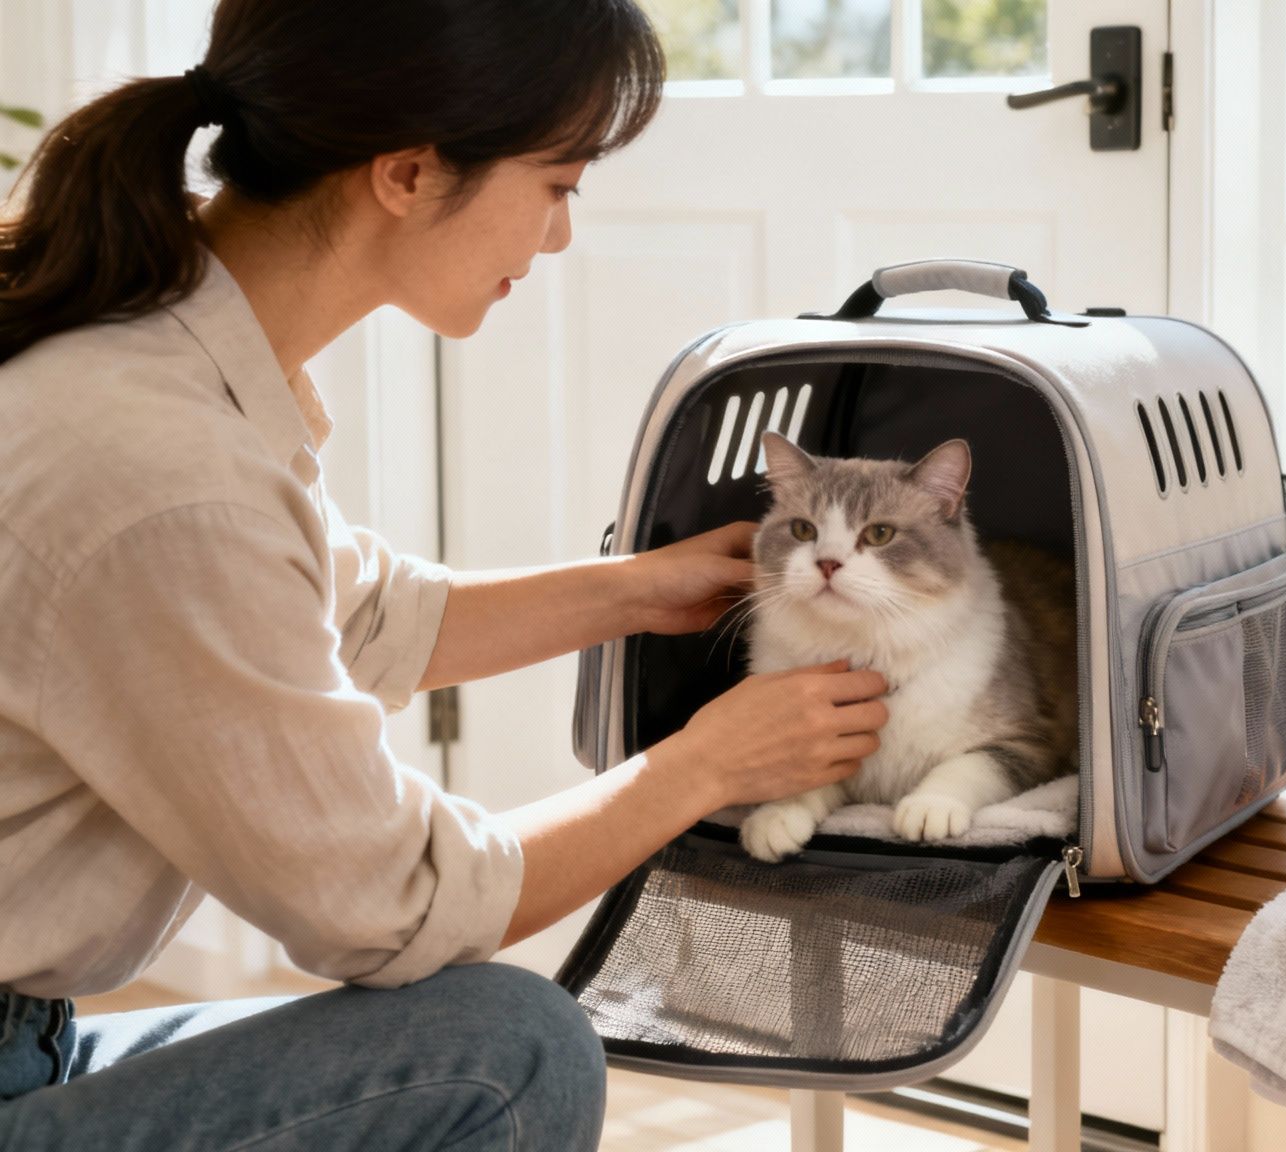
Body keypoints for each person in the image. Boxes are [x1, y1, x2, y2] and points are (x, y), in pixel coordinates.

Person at [0, 2, 888, 1148]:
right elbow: (390, 906)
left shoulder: (147, 356)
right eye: (557, 185)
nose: (557, 237)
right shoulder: (170, 474)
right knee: (506, 1051)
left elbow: (360, 615)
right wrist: (703, 766)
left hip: (32, 1038)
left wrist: (638, 588)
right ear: (409, 173)